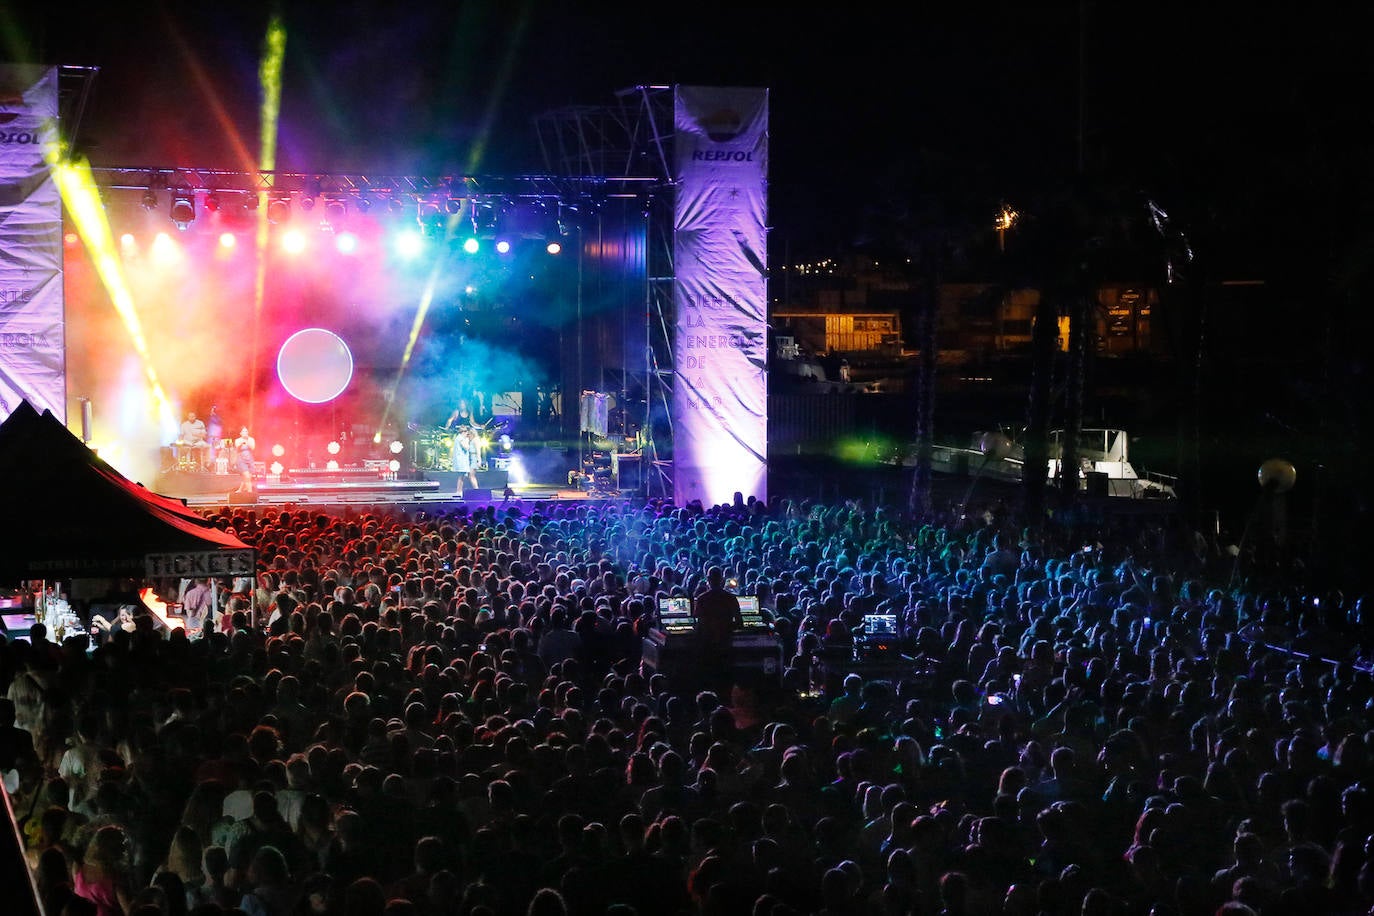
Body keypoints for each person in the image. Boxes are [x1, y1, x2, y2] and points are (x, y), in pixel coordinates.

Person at [693, 565, 744, 695]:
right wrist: (726, 628)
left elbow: (698, 623)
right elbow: (739, 623)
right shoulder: (731, 598)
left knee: (709, 682)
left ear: (708, 579)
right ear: (722, 579)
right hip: (726, 646)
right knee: (725, 682)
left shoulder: (702, 599)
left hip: (707, 647)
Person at [451, 426, 479, 496]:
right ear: (463, 432)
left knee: (462, 476)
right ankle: (459, 491)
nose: (467, 434)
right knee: (461, 476)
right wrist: (467, 441)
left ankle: (459, 490)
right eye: (467, 432)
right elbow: (466, 447)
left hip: (463, 459)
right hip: (461, 460)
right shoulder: (461, 438)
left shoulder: (461, 438)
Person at [234, 427, 256, 494]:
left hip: (250, 459)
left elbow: (253, 448)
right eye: (243, 431)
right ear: (240, 433)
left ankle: (240, 489)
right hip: (241, 460)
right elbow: (237, 448)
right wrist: (241, 443)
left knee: (248, 477)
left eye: (246, 431)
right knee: (246, 476)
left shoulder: (251, 439)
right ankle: (250, 492)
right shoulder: (237, 440)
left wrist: (247, 441)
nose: (245, 433)